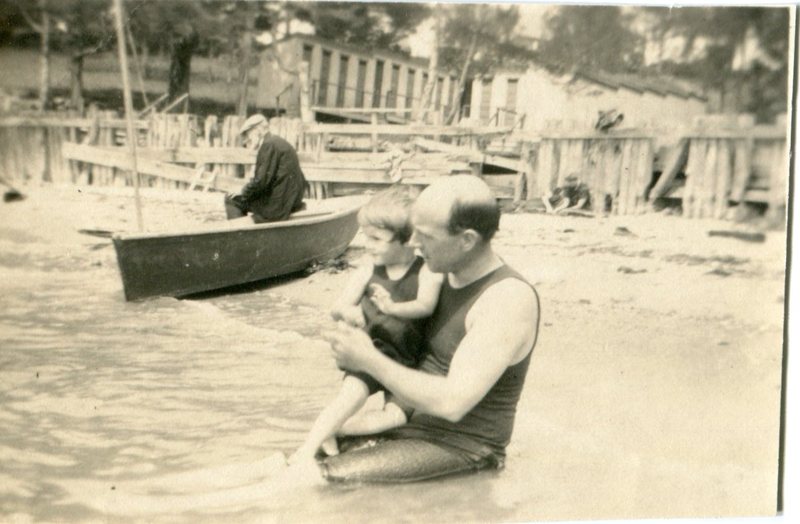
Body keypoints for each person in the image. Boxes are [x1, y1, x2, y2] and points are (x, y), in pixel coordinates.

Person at [316, 175, 540, 483]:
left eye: (425, 236)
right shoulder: (438, 278)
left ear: (467, 240)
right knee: (297, 460)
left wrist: (368, 359)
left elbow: (453, 403)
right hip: (406, 426)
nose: (413, 244)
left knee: (319, 481)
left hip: (461, 447)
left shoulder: (506, 298)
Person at [289, 186, 444, 464]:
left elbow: (427, 306)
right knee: (350, 399)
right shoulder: (368, 271)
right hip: (370, 350)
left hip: (408, 361)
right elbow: (337, 307)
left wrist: (392, 307)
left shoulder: (427, 272)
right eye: (366, 236)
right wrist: (350, 313)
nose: (367, 245)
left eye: (377, 239)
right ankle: (306, 451)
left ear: (408, 240)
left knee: (394, 417)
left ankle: (337, 430)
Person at [224, 114, 307, 223]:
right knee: (245, 196)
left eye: (248, 134)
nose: (247, 140)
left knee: (231, 199)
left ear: (258, 130)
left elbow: (261, 182)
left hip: (279, 203)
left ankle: (240, 235)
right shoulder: (277, 141)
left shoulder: (268, 145)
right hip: (291, 198)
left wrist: (242, 191)